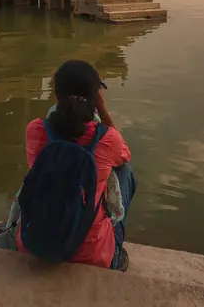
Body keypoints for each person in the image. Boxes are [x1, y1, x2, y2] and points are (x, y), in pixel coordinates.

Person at [16, 60, 136, 271]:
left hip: (32, 244)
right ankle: (115, 252)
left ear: (56, 95)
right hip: (92, 256)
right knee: (124, 171)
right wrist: (103, 109)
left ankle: (12, 229)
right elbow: (125, 155)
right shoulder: (108, 139)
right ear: (95, 97)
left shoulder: (34, 130)